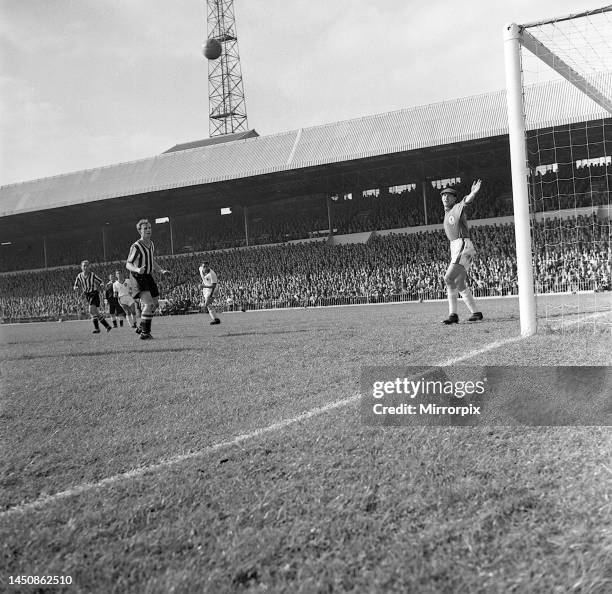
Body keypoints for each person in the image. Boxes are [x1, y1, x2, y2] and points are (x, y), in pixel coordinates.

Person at [440, 181, 484, 324]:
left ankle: (453, 315)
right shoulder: (447, 214)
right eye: (443, 195)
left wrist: (473, 193)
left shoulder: (457, 207)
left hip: (462, 244)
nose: (446, 198)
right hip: (458, 246)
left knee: (448, 278)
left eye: (449, 196)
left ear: (454, 198)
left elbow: (466, 201)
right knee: (459, 282)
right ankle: (476, 313)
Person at [125, 219, 170, 340]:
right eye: (145, 228)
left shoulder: (151, 244)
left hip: (148, 275)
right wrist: (137, 269)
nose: (148, 230)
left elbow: (152, 260)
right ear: (140, 231)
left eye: (149, 228)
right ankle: (145, 333)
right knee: (148, 304)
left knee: (155, 304)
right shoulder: (136, 246)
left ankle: (141, 326)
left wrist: (161, 270)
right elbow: (128, 264)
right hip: (138, 276)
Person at [73, 260, 112, 333]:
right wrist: (75, 287)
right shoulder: (79, 276)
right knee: (95, 312)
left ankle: (98, 328)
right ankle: (106, 326)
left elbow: (101, 281)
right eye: (84, 266)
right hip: (87, 295)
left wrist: (102, 285)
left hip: (94, 294)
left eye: (87, 266)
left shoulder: (92, 275)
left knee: (91, 310)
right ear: (81, 267)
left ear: (89, 267)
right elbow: (75, 285)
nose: (85, 267)